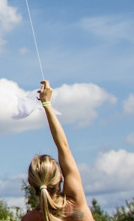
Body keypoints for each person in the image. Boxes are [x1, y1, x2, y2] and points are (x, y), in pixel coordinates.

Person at [21, 80, 94, 221]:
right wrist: (46, 104)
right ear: (60, 175)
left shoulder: (29, 219)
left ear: (30, 182)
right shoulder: (75, 204)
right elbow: (63, 147)